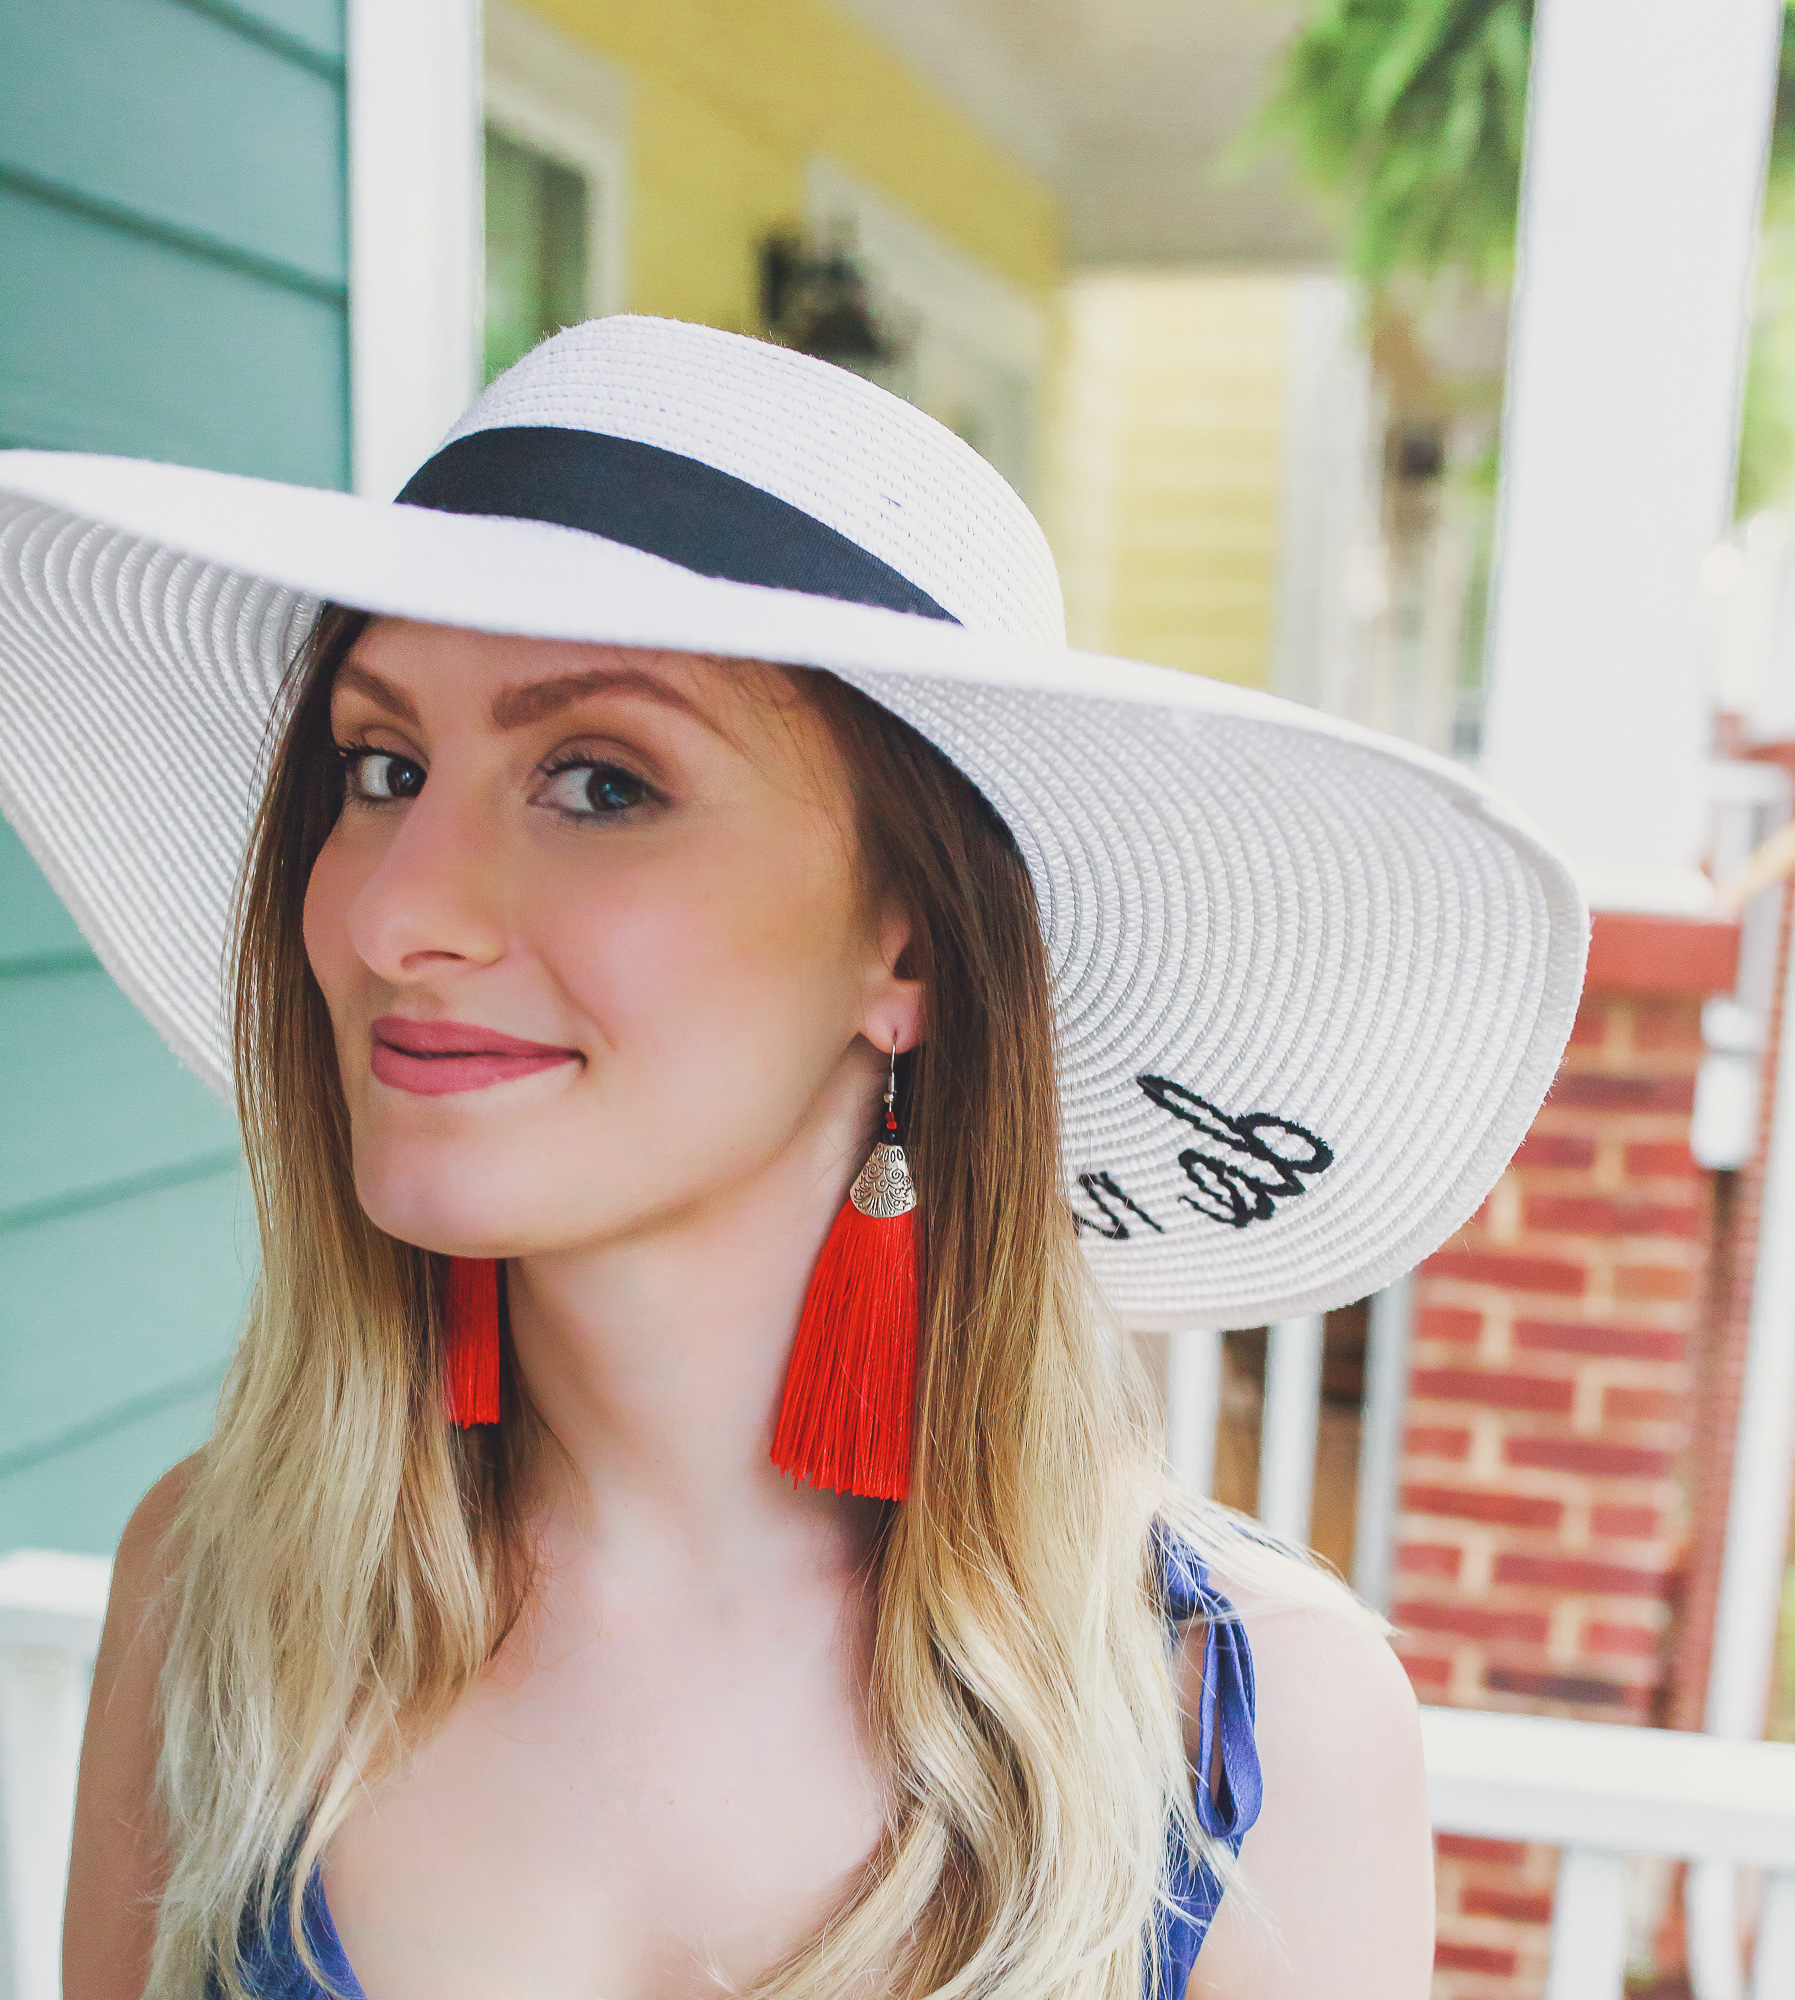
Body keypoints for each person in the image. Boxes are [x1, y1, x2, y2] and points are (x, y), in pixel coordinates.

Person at [0, 316, 1583, 1999]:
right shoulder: (220, 1604)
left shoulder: (1248, 1728)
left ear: (905, 946)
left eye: (599, 781)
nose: (394, 909)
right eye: (380, 766)